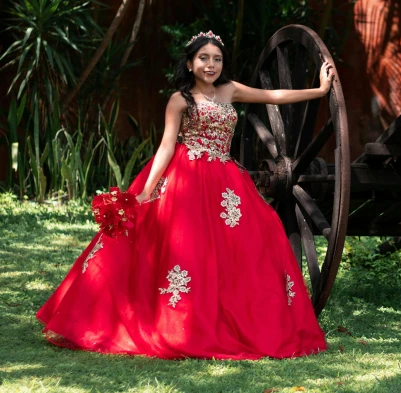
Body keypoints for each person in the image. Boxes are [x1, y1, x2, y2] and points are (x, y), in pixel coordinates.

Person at [36, 31, 335, 360]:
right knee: (185, 250)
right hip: (186, 180)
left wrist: (319, 90)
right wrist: (146, 192)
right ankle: (177, 322)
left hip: (226, 183)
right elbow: (166, 146)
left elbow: (273, 96)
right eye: (203, 58)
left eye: (217, 59)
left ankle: (233, 320)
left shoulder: (230, 90)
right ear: (190, 63)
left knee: (249, 245)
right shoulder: (180, 100)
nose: (211, 65)